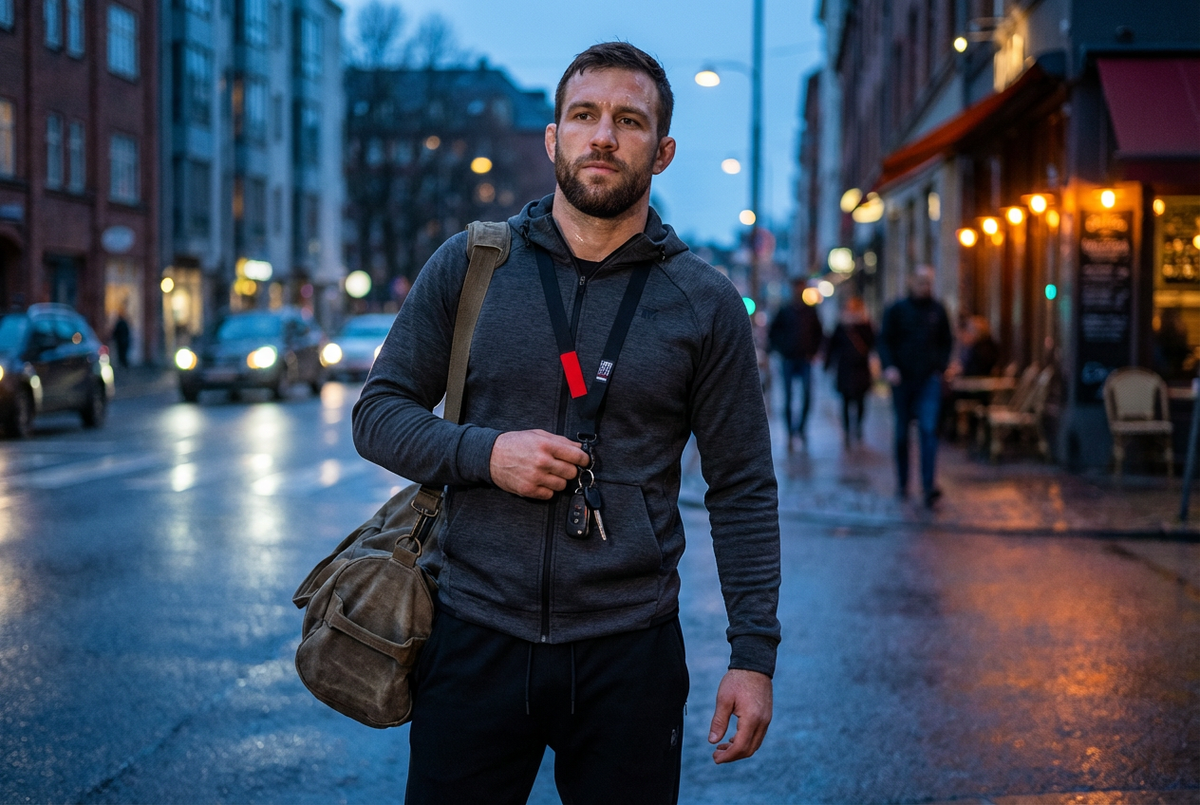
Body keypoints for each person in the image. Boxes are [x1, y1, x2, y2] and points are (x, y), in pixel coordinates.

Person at [353, 42, 780, 805]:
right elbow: (377, 415)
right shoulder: (473, 264)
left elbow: (742, 485)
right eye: (584, 115)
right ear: (554, 138)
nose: (604, 136)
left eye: (629, 120)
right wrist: (486, 454)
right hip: (473, 631)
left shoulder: (704, 301)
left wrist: (753, 656)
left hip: (631, 649)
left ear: (664, 149)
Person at [879, 266, 953, 508]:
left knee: (928, 431)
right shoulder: (897, 310)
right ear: (912, 282)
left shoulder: (938, 310)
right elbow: (884, 341)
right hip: (902, 381)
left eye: (929, 282)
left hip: (928, 380)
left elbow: (946, 341)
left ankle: (928, 485)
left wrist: (939, 367)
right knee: (902, 434)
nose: (925, 287)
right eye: (921, 282)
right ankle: (903, 483)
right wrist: (890, 367)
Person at [768, 277, 825, 449]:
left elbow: (819, 333)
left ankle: (801, 428)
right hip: (788, 359)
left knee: (807, 395)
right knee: (788, 398)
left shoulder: (811, 311)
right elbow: (773, 333)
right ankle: (790, 433)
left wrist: (814, 352)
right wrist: (780, 348)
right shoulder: (784, 310)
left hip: (805, 359)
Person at [824, 296, 876, 447]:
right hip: (844, 369)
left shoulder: (865, 326)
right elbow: (832, 346)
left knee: (860, 401)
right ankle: (847, 431)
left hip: (861, 369)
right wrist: (827, 364)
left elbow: (872, 343)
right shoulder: (841, 327)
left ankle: (858, 427)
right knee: (845, 402)